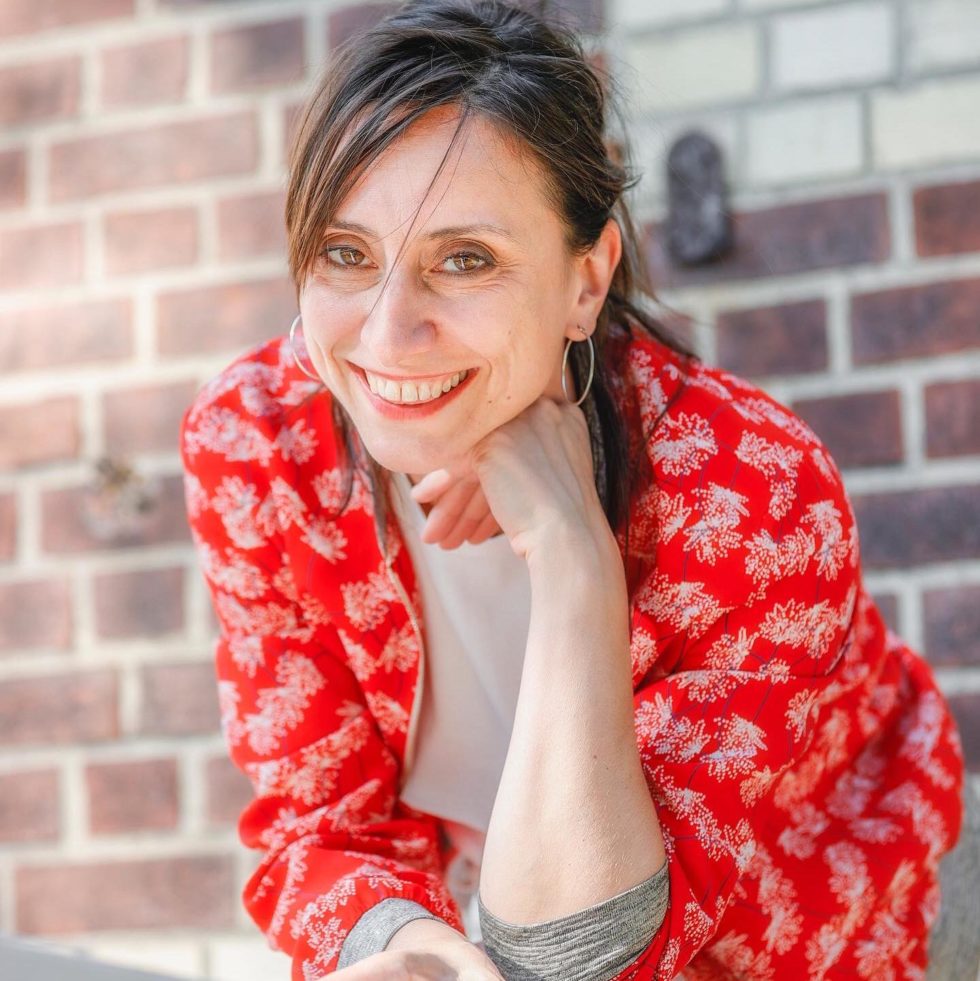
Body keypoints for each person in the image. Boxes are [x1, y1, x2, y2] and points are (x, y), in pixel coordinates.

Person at [178, 1, 969, 978]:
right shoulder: (262, 444)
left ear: (584, 282)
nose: (386, 336)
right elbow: (321, 819)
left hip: (838, 923)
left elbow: (587, 948)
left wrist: (570, 554)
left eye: (464, 259)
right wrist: (413, 948)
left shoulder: (749, 490)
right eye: (346, 253)